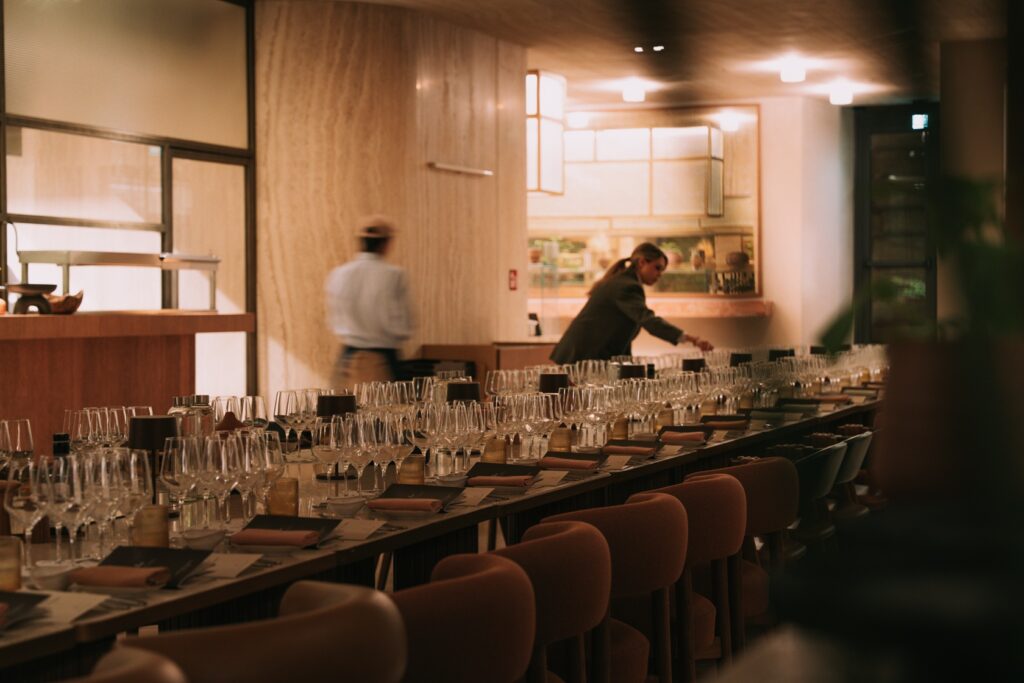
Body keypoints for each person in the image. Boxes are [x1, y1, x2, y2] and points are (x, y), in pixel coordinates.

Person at [550, 242, 713, 364]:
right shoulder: (627, 286)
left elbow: (622, 335)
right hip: (581, 358)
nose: (659, 275)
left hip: (585, 357)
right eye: (657, 268)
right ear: (642, 262)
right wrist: (692, 339)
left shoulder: (624, 281)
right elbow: (648, 320)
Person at [325, 215, 413, 388]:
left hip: (348, 359)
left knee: (341, 412)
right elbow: (404, 326)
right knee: (393, 412)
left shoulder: (339, 274)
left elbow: (333, 320)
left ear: (360, 242)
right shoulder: (394, 275)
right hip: (384, 360)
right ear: (386, 244)